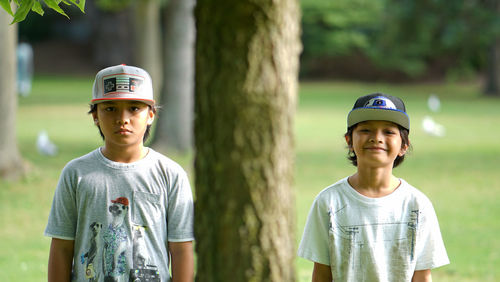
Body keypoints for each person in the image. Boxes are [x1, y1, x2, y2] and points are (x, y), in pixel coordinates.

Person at [45, 64, 195, 282]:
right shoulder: (76, 174)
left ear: (151, 114)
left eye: (134, 108)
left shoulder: (171, 175)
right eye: (110, 108)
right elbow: (61, 248)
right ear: (95, 115)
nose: (122, 118)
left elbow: (181, 249)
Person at [298, 93, 449, 282]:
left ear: (404, 145)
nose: (376, 138)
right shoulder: (328, 202)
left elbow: (422, 276)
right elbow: (321, 275)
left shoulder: (417, 205)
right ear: (349, 141)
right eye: (366, 130)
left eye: (388, 132)